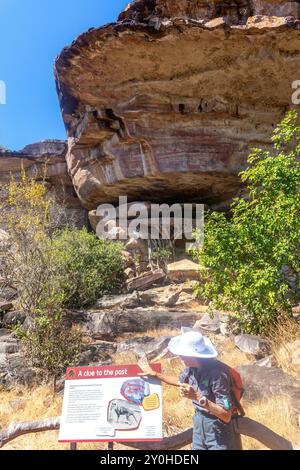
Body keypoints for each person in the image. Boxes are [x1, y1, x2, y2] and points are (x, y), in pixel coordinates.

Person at [138, 329, 242, 450]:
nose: (180, 356)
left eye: (183, 354)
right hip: (199, 426)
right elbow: (179, 381)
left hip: (217, 429)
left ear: (193, 355)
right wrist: (156, 374)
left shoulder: (217, 375)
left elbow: (226, 415)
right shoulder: (192, 369)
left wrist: (197, 397)